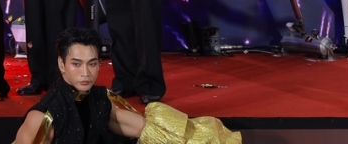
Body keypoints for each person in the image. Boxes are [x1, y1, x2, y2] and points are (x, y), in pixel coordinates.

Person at [12, 28, 240, 144]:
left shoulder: (100, 100)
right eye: (76, 64)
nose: (85, 73)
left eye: (92, 64)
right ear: (62, 65)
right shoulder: (44, 117)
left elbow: (149, 129)